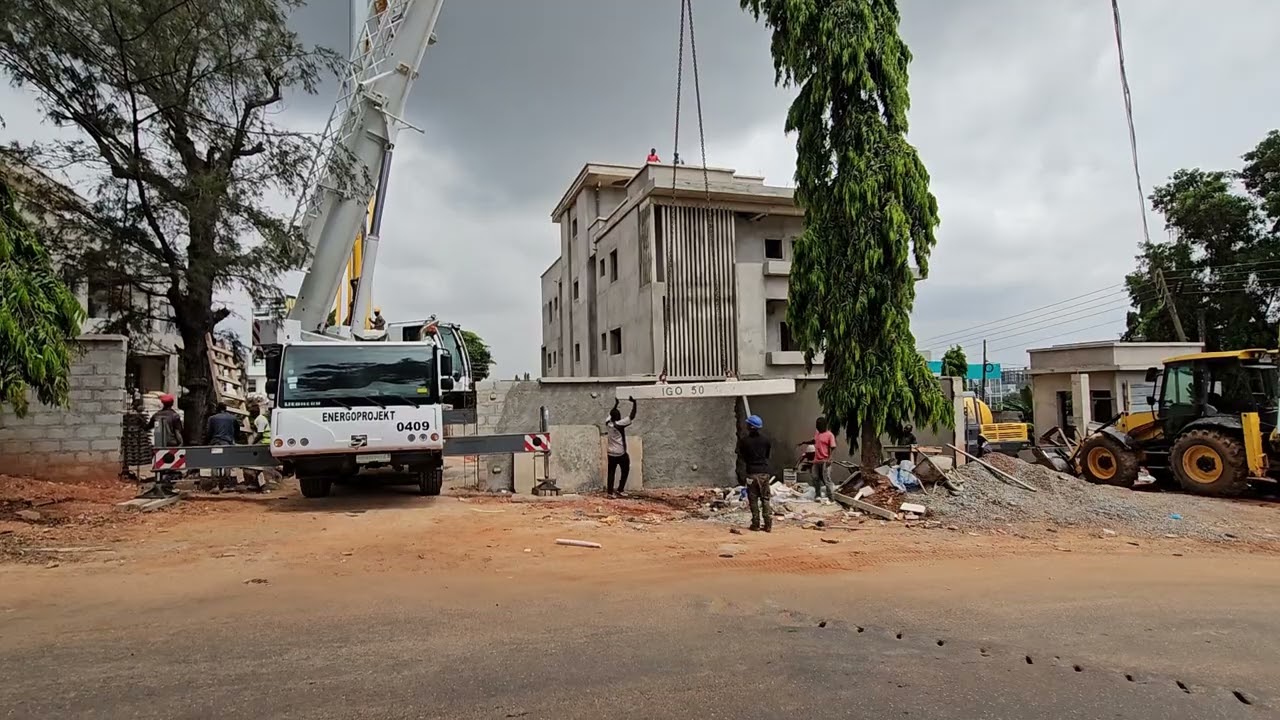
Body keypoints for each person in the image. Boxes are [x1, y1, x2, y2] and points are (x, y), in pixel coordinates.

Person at [737, 415, 772, 532]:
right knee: (765, 498)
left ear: (750, 426)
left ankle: (756, 524)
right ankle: (768, 524)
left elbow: (741, 456)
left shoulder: (744, 441)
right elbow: (767, 455)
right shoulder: (766, 440)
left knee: (753, 499)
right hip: (764, 473)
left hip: (751, 472)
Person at [147, 394, 185, 490]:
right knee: (172, 465)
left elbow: (148, 427)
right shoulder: (175, 416)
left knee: (160, 465)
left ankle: (160, 480)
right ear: (172, 404)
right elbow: (177, 431)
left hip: (159, 443)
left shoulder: (156, 415)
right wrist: (181, 443)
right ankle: (169, 482)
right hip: (172, 443)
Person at [605, 396, 638, 496]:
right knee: (625, 469)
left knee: (611, 472)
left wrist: (616, 404)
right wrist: (634, 403)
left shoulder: (607, 423)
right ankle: (620, 489)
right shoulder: (619, 424)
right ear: (618, 417)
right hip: (620, 452)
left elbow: (611, 413)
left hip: (610, 452)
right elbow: (632, 416)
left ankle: (610, 492)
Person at [205, 402, 240, 492]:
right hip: (227, 442)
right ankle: (227, 485)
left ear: (217, 408)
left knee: (214, 463)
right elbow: (237, 431)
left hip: (216, 442)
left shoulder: (212, 418)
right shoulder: (232, 418)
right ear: (225, 408)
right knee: (227, 463)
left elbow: (208, 432)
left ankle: (215, 486)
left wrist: (208, 441)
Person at [811, 416, 838, 504]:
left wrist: (830, 459)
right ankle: (818, 495)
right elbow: (815, 441)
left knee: (827, 479)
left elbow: (832, 447)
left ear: (824, 425)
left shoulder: (830, 435)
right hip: (816, 460)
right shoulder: (817, 433)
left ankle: (831, 498)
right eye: (817, 425)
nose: (817, 427)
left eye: (819, 425)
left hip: (825, 460)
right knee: (815, 478)